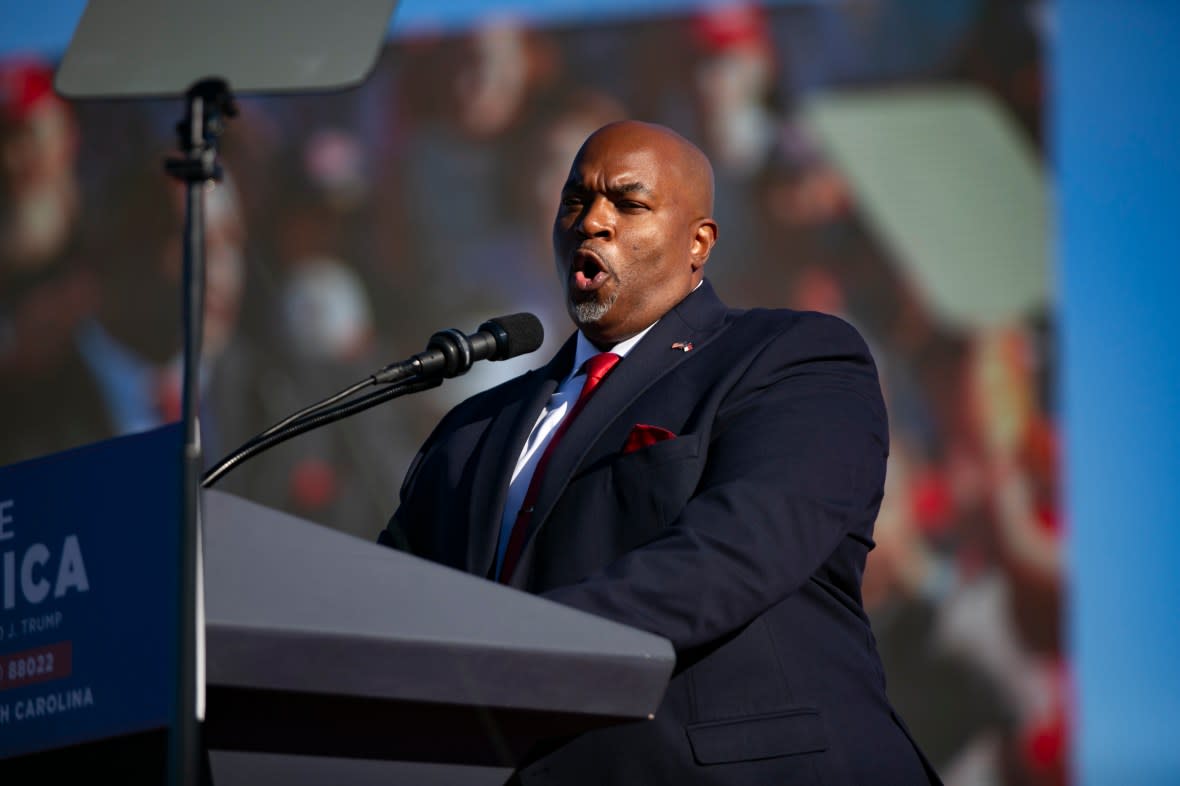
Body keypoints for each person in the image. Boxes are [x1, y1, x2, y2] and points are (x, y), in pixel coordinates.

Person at [380, 120, 941, 785]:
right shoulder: (472, 431)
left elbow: (738, 550)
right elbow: (391, 605)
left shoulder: (791, 358)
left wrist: (514, 647)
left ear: (699, 242)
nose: (592, 221)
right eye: (575, 201)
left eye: (628, 203)